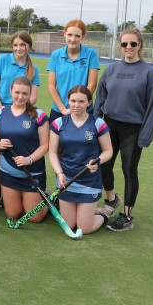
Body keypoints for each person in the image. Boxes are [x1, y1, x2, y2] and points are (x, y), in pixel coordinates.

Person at [95, 27, 153, 232]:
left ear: (140, 45)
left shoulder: (148, 73)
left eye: (133, 43)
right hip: (110, 125)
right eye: (125, 44)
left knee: (128, 170)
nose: (128, 47)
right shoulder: (112, 70)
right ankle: (111, 200)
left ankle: (126, 215)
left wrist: (145, 136)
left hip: (132, 129)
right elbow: (100, 99)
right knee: (104, 166)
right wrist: (96, 124)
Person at [48, 85, 114, 235]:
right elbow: (52, 152)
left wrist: (97, 161)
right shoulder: (58, 123)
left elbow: (108, 151)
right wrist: (59, 173)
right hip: (66, 180)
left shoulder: (97, 123)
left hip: (89, 181)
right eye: (73, 101)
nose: (76, 105)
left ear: (89, 102)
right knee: (70, 225)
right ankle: (87, 211)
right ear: (68, 101)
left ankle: (105, 213)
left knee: (84, 228)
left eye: (81, 101)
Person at [0, 77, 50, 222]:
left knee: (34, 218)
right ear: (10, 91)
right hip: (9, 172)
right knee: (13, 214)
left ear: (30, 95)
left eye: (25, 93)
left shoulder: (39, 115)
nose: (20, 97)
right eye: (17, 92)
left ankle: (46, 198)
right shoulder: (0, 114)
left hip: (32, 171)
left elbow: (45, 145)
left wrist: (28, 159)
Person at [46, 19, 99, 123]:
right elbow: (51, 86)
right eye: (69, 34)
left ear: (83, 36)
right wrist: (63, 109)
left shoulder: (91, 54)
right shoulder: (56, 55)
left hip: (84, 111)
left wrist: (78, 106)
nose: (73, 39)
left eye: (77, 36)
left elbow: (92, 84)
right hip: (59, 110)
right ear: (64, 34)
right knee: (54, 139)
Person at [0, 31, 40, 109]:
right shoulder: (2, 59)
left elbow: (33, 98)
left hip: (22, 109)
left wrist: (20, 110)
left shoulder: (34, 69)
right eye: (15, 45)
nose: (18, 48)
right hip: (2, 107)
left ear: (29, 46)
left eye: (22, 45)